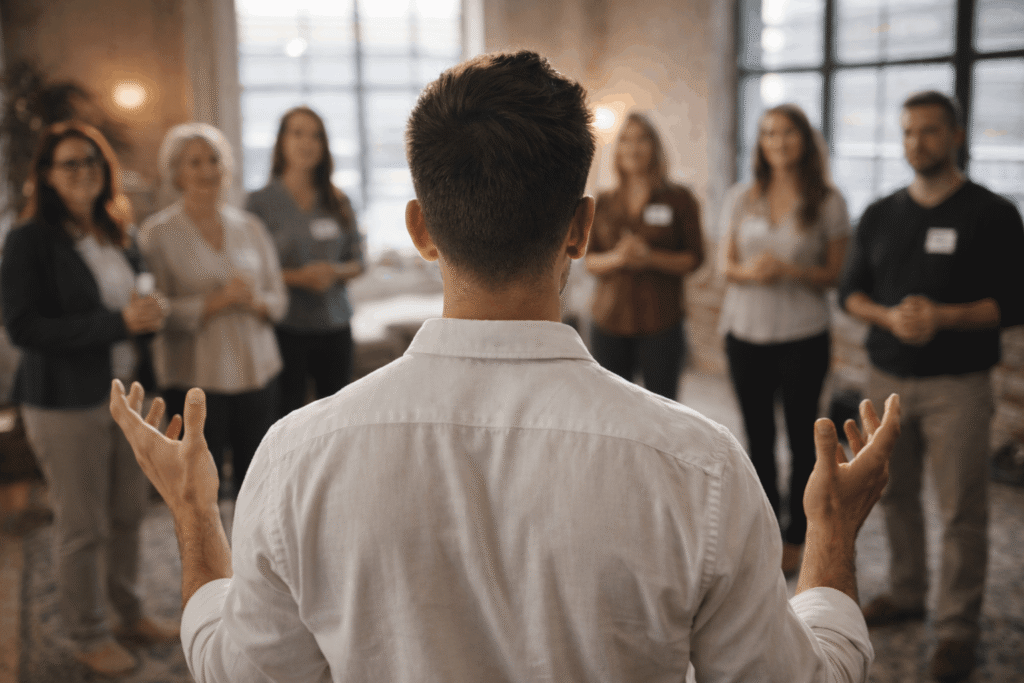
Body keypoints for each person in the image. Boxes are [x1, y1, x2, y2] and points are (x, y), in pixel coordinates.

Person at [111, 51, 901, 683]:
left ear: (421, 229)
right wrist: (830, 534)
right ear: (582, 228)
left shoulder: (295, 455)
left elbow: (240, 668)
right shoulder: (701, 464)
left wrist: (192, 510)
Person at [839, 90, 1024, 683]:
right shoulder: (880, 213)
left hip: (958, 386)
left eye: (930, 131)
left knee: (960, 508)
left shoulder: (993, 214)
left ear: (956, 135)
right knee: (893, 495)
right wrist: (890, 317)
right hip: (887, 377)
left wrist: (943, 316)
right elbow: (851, 294)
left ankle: (956, 629)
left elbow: (1014, 303)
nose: (917, 142)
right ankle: (909, 591)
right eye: (909, 132)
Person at [0, 121, 177, 677]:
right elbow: (24, 328)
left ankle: (128, 611)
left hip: (129, 394)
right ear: (48, 176)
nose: (83, 173)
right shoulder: (29, 239)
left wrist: (149, 317)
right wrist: (116, 323)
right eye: (70, 163)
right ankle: (86, 632)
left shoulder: (120, 231)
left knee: (128, 513)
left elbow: (136, 303)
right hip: (63, 401)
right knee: (83, 525)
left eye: (92, 162)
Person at [718, 103, 850, 576]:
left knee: (800, 437)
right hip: (744, 331)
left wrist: (789, 270)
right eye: (769, 133)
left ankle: (799, 533)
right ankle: (768, 523)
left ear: (805, 140)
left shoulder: (828, 201)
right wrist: (751, 273)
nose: (778, 142)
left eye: (788, 133)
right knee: (756, 435)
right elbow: (725, 266)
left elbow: (835, 276)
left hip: (802, 335)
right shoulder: (741, 195)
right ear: (761, 142)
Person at [139, 123, 287, 498]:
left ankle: (250, 556)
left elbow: (279, 300)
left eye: (214, 160)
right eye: (195, 162)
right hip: (196, 378)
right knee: (200, 489)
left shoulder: (250, 227)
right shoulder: (158, 233)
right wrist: (218, 301)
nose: (207, 170)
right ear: (175, 172)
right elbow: (154, 312)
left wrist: (255, 302)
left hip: (256, 372)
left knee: (257, 484)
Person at [246, 107, 364, 416]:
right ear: (281, 142)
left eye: (315, 135)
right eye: (297, 133)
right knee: (286, 418)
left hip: (335, 326)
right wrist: (299, 278)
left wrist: (333, 272)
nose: (306, 143)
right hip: (286, 328)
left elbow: (359, 261)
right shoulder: (259, 203)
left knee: (339, 416)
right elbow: (251, 270)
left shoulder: (339, 201)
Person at [584, 111, 704, 400]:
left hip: (661, 322)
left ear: (655, 146)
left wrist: (650, 257)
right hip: (609, 320)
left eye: (641, 140)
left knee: (663, 408)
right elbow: (590, 260)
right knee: (613, 407)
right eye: (625, 140)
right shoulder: (604, 201)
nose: (633, 148)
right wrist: (619, 257)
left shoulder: (679, 199)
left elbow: (695, 259)